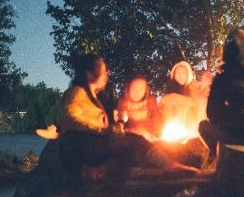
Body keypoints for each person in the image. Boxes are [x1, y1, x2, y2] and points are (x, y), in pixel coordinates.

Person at [57, 54, 200, 179]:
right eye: (103, 70)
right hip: (79, 145)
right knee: (136, 141)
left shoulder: (92, 95)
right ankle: (170, 166)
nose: (107, 73)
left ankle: (97, 172)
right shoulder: (77, 92)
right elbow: (71, 118)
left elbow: (156, 118)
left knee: (128, 152)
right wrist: (105, 130)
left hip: (89, 142)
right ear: (89, 74)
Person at [116, 76, 163, 141]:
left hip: (149, 137)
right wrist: (120, 125)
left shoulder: (151, 101)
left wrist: (157, 133)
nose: (137, 92)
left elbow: (156, 117)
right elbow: (120, 119)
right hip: (130, 136)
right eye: (134, 89)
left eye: (141, 89)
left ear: (145, 90)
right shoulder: (123, 101)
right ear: (129, 88)